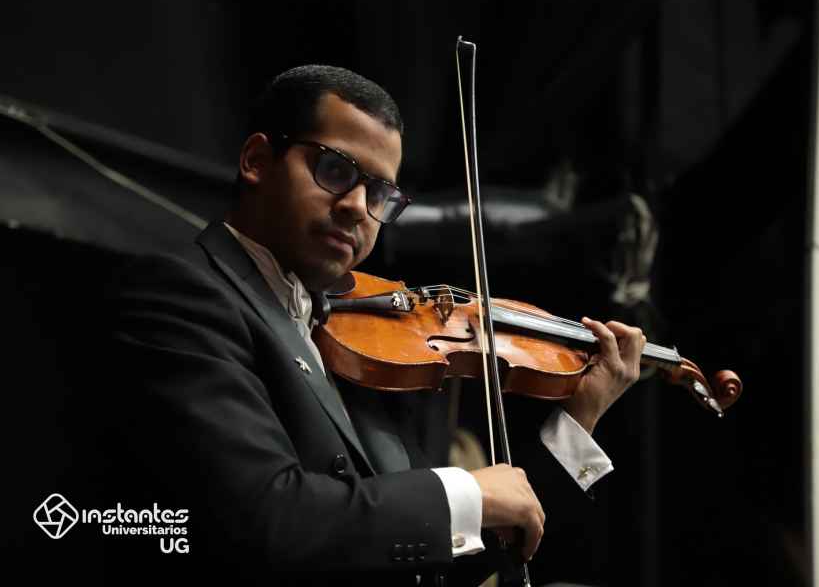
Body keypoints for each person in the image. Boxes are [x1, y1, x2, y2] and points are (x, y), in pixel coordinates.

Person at [106, 65, 645, 586]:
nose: (359, 208)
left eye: (381, 194)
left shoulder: (345, 340)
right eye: (334, 170)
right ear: (257, 160)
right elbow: (265, 518)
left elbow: (436, 561)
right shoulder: (181, 293)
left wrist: (579, 419)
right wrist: (465, 493)